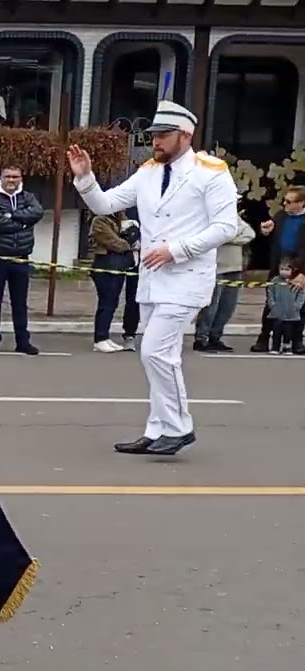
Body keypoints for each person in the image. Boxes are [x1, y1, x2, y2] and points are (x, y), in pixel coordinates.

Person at [68, 100, 239, 456]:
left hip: (186, 276)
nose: (156, 141)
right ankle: (158, 428)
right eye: (154, 135)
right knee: (162, 355)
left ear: (185, 136)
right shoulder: (148, 171)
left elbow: (226, 227)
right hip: (151, 278)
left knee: (155, 352)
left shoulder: (211, 172)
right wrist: (85, 177)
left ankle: (179, 427)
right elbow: (104, 204)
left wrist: (178, 249)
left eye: (163, 135)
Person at [0, 165, 42, 354]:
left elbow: (37, 212)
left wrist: (12, 215)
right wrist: (23, 223)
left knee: (20, 302)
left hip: (21, 257)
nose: (12, 180)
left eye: (16, 176)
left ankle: (22, 341)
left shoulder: (28, 197)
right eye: (8, 176)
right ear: (1, 178)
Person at [251, 186, 305, 354]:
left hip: (299, 266)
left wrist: (303, 274)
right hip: (278, 265)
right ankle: (263, 339)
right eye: (285, 200)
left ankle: (296, 341)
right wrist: (266, 232)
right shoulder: (280, 217)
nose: (284, 204)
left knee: (298, 306)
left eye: (289, 202)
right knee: (271, 303)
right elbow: (269, 241)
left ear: (301, 203)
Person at [193, 208, 254, 352]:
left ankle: (216, 336)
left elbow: (249, 233)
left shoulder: (233, 217)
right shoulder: (208, 216)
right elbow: (211, 238)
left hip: (234, 266)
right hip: (215, 266)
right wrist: (227, 237)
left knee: (228, 306)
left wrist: (227, 238)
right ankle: (202, 338)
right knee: (211, 305)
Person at [88, 210, 141, 352]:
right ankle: (100, 339)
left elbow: (132, 234)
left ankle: (105, 337)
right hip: (105, 265)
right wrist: (129, 242)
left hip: (117, 265)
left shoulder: (119, 220)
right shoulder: (99, 220)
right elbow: (114, 243)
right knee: (106, 303)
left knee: (112, 302)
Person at [265, 258, 305, 354]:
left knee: (288, 331)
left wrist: (296, 306)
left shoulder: (296, 281)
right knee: (276, 330)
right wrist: (272, 304)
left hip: (291, 313)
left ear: (293, 270)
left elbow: (301, 294)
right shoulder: (275, 280)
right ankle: (275, 347)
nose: (284, 272)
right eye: (282, 269)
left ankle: (287, 347)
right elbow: (270, 292)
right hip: (277, 312)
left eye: (287, 269)